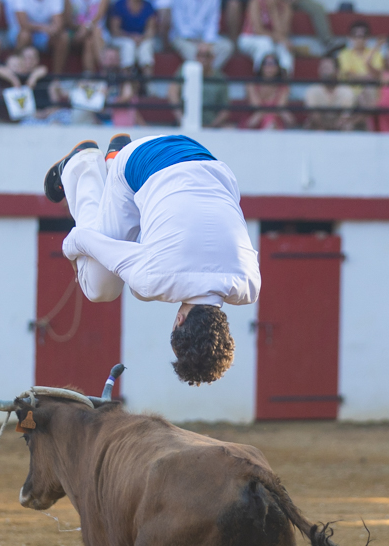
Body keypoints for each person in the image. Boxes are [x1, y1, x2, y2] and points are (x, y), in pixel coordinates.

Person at [43, 134, 261, 384]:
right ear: (179, 320)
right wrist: (70, 253)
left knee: (144, 263)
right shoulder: (152, 279)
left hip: (204, 159)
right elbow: (83, 238)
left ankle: (114, 159)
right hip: (140, 161)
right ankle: (83, 164)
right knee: (100, 286)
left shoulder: (250, 286)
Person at [167, 43, 230, 128]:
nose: (203, 59)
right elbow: (172, 92)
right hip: (186, 124)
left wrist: (211, 126)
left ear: (213, 57)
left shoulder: (220, 78)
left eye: (207, 55)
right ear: (195, 56)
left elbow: (225, 109)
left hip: (211, 126)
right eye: (200, 55)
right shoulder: (185, 71)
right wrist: (181, 119)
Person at [8, 0, 69, 75]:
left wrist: (53, 30)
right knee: (25, 35)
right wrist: (45, 28)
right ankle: (15, 73)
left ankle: (56, 77)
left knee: (63, 37)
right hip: (20, 31)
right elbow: (23, 24)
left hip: (44, 35)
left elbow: (58, 24)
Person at [170, 0, 231, 73]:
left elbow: (212, 23)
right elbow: (180, 26)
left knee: (226, 47)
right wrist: (198, 43)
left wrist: (207, 43)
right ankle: (207, 74)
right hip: (185, 39)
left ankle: (208, 73)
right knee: (192, 52)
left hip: (206, 40)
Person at [237, 0, 292, 76]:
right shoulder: (256, 3)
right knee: (265, 43)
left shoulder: (285, 7)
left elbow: (282, 32)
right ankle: (260, 78)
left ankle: (284, 80)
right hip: (249, 38)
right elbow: (258, 30)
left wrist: (273, 11)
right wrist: (280, 39)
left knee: (284, 49)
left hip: (273, 40)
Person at [303, 54, 357, 131]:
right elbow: (314, 115)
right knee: (308, 124)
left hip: (339, 128)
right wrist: (324, 129)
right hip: (319, 127)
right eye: (322, 68)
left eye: (327, 68)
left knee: (348, 126)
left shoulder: (346, 91)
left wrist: (334, 130)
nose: (324, 71)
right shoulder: (312, 90)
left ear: (337, 71)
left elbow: (345, 116)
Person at [337, 19, 381, 108]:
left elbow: (377, 75)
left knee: (370, 89)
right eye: (355, 36)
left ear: (368, 37)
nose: (359, 39)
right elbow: (348, 75)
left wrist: (356, 77)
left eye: (362, 36)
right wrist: (366, 77)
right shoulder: (343, 54)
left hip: (369, 90)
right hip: (349, 90)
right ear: (349, 37)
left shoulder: (376, 54)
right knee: (345, 92)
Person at [244, 52, 292, 128]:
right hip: (255, 120)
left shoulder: (283, 86)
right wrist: (277, 111)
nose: (269, 66)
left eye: (273, 63)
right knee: (264, 119)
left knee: (271, 120)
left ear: (278, 67)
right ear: (261, 66)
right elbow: (256, 107)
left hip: (274, 120)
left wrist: (279, 112)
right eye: (265, 63)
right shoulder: (251, 85)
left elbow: (280, 107)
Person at [107, 0, 155, 75]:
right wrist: (131, 37)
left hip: (142, 39)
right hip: (122, 38)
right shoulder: (119, 5)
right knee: (129, 45)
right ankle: (127, 78)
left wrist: (141, 38)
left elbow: (151, 30)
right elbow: (115, 30)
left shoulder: (148, 6)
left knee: (146, 46)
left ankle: (148, 79)